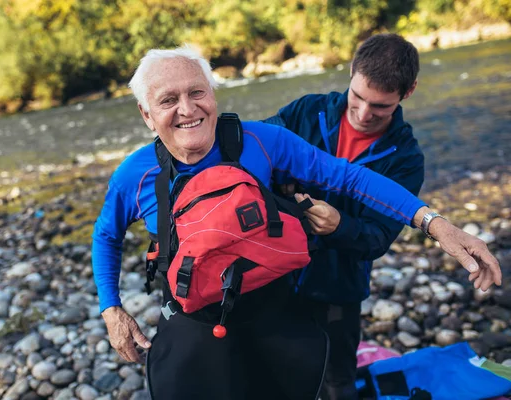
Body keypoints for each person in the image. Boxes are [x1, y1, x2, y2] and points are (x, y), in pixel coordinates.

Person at [91, 46, 502, 400]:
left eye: (197, 92)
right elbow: (107, 233)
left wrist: (436, 225)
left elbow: (350, 178)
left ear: (213, 94)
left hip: (274, 315)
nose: (187, 109)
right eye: (168, 100)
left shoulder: (263, 143)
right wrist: (112, 309)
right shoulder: (135, 174)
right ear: (147, 115)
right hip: (194, 323)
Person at [263, 33, 429, 399]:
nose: (363, 114)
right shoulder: (306, 111)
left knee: (337, 381)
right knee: (271, 374)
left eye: (380, 107)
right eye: (358, 97)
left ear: (408, 91)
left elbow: (377, 238)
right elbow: (253, 154)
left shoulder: (406, 159)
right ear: (351, 71)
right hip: (274, 274)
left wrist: (340, 226)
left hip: (339, 288)